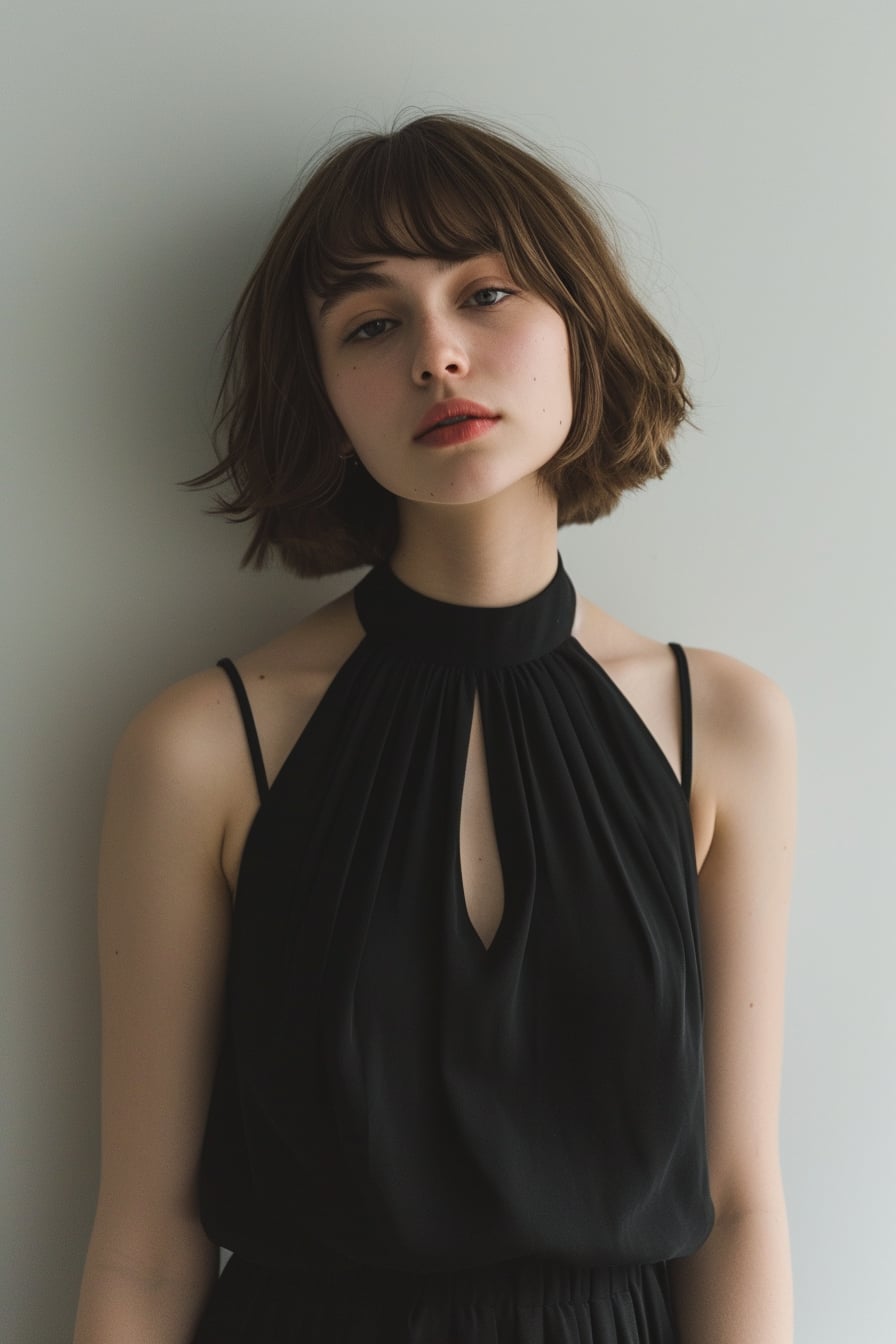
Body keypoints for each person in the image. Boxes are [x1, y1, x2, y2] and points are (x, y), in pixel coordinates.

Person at [73, 111, 797, 1344]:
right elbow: (146, 1244)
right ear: (324, 395)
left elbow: (733, 1206)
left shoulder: (716, 722)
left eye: (487, 293)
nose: (438, 356)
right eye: (372, 322)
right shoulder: (203, 747)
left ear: (579, 325)